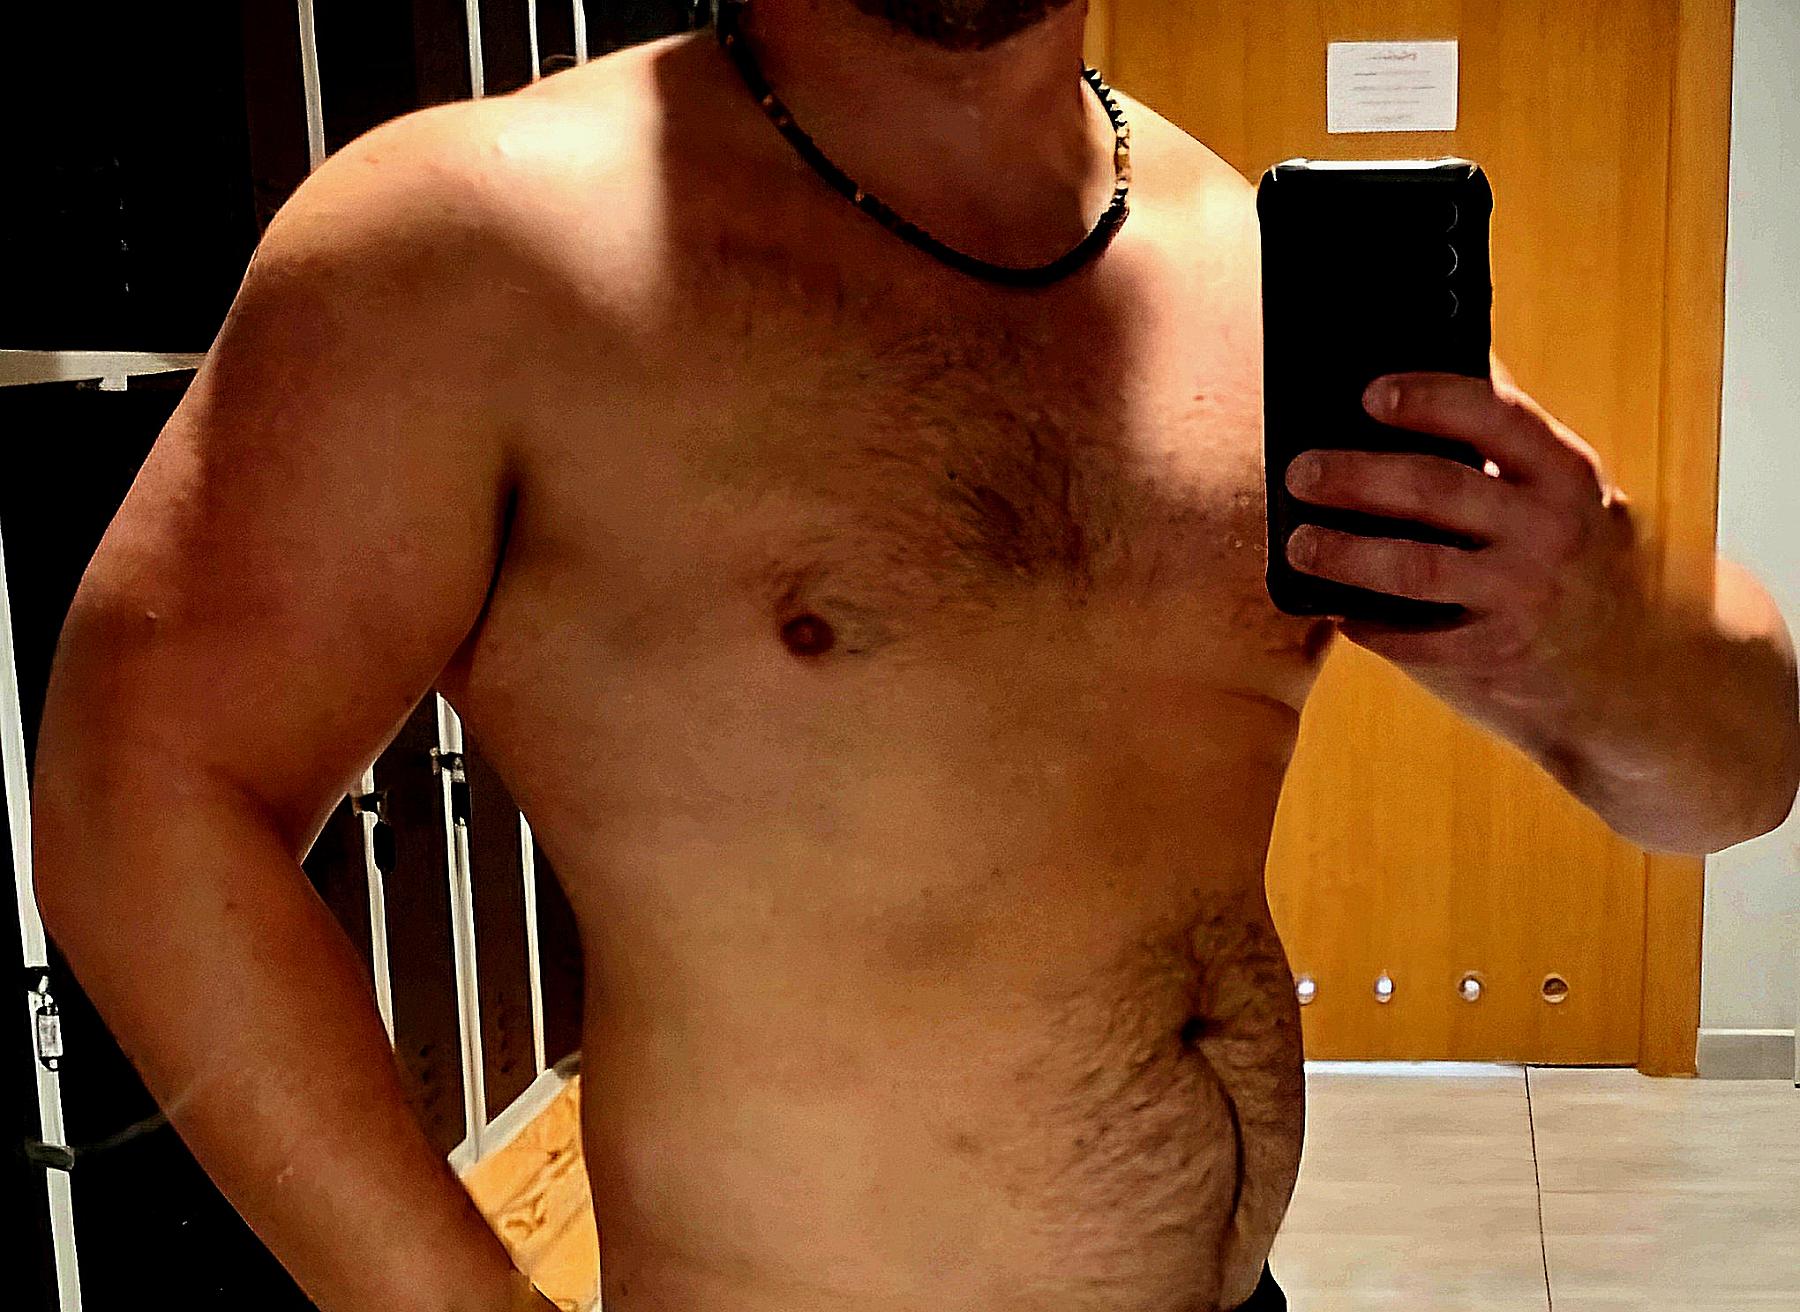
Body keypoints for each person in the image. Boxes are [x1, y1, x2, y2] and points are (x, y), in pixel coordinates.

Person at [30, 1, 1800, 1310]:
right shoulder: (474, 244)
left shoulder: (1248, 265)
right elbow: (143, 787)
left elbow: (1734, 778)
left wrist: (1605, 623)